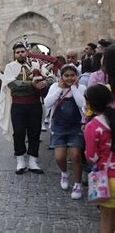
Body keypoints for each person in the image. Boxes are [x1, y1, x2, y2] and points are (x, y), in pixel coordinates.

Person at [0, 42, 53, 174]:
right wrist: (32, 84)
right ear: (14, 54)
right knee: (18, 132)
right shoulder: (10, 67)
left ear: (26, 52)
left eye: (22, 52)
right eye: (17, 52)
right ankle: (20, 160)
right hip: (18, 105)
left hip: (34, 104)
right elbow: (12, 84)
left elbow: (51, 78)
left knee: (34, 132)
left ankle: (33, 161)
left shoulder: (36, 65)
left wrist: (45, 82)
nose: (20, 54)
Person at [44, 65, 86, 199]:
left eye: (72, 75)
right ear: (61, 77)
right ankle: (64, 173)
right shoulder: (55, 87)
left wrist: (73, 88)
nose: (69, 78)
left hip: (76, 127)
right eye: (66, 76)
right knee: (60, 157)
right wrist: (60, 90)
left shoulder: (81, 88)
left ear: (77, 76)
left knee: (75, 156)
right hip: (59, 127)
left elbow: (83, 104)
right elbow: (47, 103)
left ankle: (78, 184)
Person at [83, 84, 115, 233]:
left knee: (106, 219)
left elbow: (91, 157)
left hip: (107, 179)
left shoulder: (92, 126)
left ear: (89, 103)